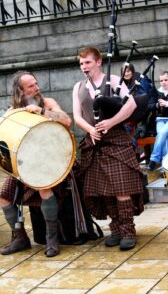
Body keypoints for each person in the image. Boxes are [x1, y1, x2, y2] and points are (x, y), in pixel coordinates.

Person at [72, 46, 144, 251]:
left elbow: (131, 105)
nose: (84, 67)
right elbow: (77, 116)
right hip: (94, 142)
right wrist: (90, 129)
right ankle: (116, 230)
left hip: (116, 139)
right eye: (81, 64)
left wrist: (111, 122)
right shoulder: (78, 87)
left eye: (87, 62)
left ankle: (128, 230)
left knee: (122, 187)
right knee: (105, 190)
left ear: (98, 62)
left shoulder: (113, 80)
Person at [0, 71, 72, 257]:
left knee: (44, 188)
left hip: (49, 162)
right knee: (2, 196)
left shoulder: (47, 103)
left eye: (36, 83)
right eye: (31, 86)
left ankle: (52, 238)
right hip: (23, 166)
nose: (37, 87)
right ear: (21, 91)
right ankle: (20, 238)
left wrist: (41, 112)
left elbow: (67, 121)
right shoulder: (13, 110)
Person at [147, 71, 168, 171]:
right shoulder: (157, 93)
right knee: (162, 134)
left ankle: (153, 159)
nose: (163, 82)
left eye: (166, 80)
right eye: (161, 81)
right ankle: (165, 165)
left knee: (163, 132)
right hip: (160, 120)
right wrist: (157, 105)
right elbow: (149, 106)